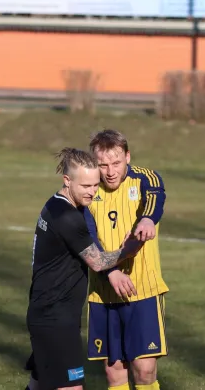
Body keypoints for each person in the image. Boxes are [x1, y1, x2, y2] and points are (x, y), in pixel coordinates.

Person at [26, 147, 142, 390]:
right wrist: (131, 247)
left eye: (95, 185)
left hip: (48, 313)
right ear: (67, 181)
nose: (92, 192)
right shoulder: (68, 217)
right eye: (85, 186)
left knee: (38, 385)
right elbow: (98, 262)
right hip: (55, 318)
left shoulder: (56, 204)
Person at [85, 129, 169, 390]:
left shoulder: (144, 179)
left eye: (116, 163)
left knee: (144, 370)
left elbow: (155, 194)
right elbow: (85, 237)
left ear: (127, 157)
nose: (110, 171)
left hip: (143, 290)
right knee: (113, 373)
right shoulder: (87, 189)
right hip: (104, 293)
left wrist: (147, 218)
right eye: (103, 165)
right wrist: (110, 273)